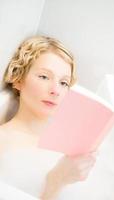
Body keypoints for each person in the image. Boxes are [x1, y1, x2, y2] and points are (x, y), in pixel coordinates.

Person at [0, 35, 97, 200]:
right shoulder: (3, 141)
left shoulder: (67, 140)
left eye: (64, 83)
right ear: (18, 79)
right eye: (44, 77)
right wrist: (56, 181)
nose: (55, 91)